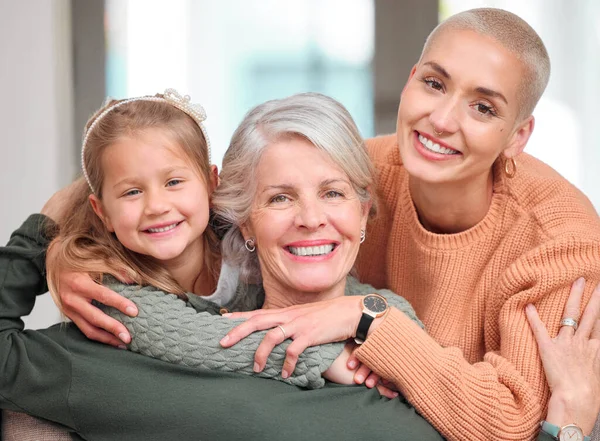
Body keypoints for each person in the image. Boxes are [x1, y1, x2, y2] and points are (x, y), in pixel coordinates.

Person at [2, 91, 599, 441]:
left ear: (364, 215)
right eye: (280, 197)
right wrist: (53, 226)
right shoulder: (122, 339)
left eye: (333, 193)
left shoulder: (403, 345)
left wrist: (570, 424)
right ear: (239, 219)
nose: (311, 218)